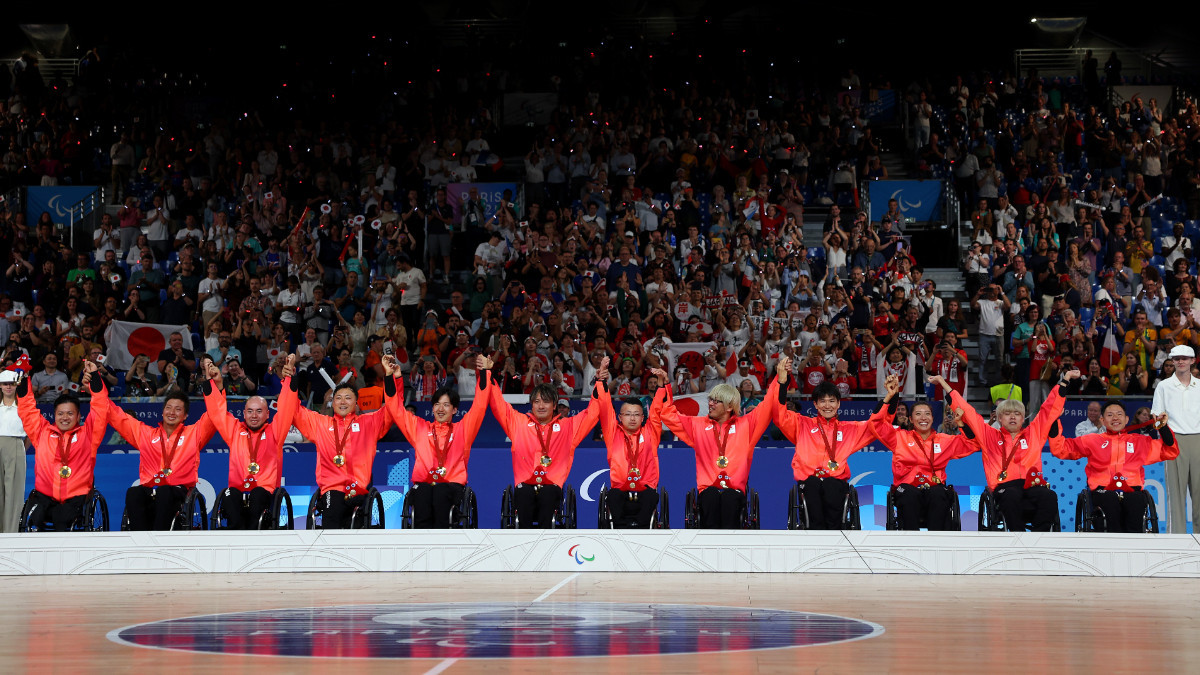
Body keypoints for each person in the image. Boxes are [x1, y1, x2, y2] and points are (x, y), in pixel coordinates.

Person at [935, 368, 1080, 531]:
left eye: (1017, 413)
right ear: (999, 418)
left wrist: (1065, 378)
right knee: (1012, 495)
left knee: (1049, 495)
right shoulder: (989, 435)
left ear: (1023, 417)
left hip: (1031, 486)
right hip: (1005, 488)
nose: (1012, 417)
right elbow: (968, 412)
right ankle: (1017, 537)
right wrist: (944, 384)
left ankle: (1040, 538)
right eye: (1007, 413)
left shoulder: (1034, 433)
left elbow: (1049, 409)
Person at [483, 354, 603, 528]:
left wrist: (600, 382)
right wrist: (487, 372)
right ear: (531, 404)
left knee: (548, 495)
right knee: (523, 495)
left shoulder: (567, 427)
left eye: (545, 402)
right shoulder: (519, 423)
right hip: (525, 484)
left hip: (552, 485)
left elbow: (591, 414)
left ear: (554, 406)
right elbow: (497, 404)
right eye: (536, 401)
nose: (540, 406)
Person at [659, 361, 782, 529]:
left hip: (735, 491)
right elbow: (667, 414)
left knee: (730, 498)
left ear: (730, 406)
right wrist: (664, 385)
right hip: (708, 489)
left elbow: (768, 404)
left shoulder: (747, 425)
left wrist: (779, 378)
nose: (710, 404)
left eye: (716, 401)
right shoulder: (697, 425)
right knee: (710, 496)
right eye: (711, 400)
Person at [92, 376, 217, 531]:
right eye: (168, 408)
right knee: (133, 492)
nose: (172, 412)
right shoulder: (146, 434)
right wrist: (95, 381)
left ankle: (159, 537)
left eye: (178, 409)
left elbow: (214, 414)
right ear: (162, 411)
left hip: (178, 489)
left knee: (165, 491)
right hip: (150, 488)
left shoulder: (194, 434)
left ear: (185, 415)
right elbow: (115, 415)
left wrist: (210, 382)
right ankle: (140, 538)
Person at [773, 367, 889, 529]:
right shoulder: (802, 425)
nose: (827, 405)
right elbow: (780, 413)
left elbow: (876, 425)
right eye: (822, 401)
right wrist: (782, 382)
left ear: (839, 404)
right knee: (812, 484)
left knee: (832, 485)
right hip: (809, 481)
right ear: (815, 404)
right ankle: (816, 533)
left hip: (836, 482)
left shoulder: (850, 429)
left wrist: (890, 397)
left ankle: (834, 534)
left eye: (832, 400)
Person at [385, 355, 489, 528]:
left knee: (440, 491)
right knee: (423, 493)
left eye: (446, 405)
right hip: (424, 485)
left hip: (451, 486)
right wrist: (392, 377)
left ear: (455, 409)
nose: (441, 409)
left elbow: (480, 405)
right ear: (432, 407)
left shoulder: (463, 430)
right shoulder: (419, 427)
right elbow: (395, 409)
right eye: (437, 405)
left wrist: (484, 372)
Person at [1048, 401, 1177, 533]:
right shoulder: (1092, 440)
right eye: (1110, 415)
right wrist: (1054, 419)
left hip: (1132, 491)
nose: (1115, 418)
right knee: (1109, 499)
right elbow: (1061, 449)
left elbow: (1169, 450)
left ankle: (1135, 545)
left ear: (1126, 419)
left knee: (1136, 500)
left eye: (1119, 414)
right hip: (1103, 492)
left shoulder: (1140, 441)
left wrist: (1162, 426)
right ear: (1102, 420)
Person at [202, 356, 300, 530]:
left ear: (268, 414)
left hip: (264, 490)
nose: (254, 415)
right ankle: (236, 535)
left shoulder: (275, 431)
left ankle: (254, 535)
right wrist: (212, 382)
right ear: (244, 413)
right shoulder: (234, 430)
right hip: (238, 488)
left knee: (257, 493)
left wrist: (289, 379)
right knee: (228, 493)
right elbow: (217, 412)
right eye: (250, 411)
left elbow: (286, 408)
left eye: (259, 411)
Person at [873, 374, 976, 530]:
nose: (923, 418)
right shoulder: (899, 437)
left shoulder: (945, 440)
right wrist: (891, 396)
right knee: (909, 494)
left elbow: (972, 443)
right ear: (911, 419)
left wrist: (961, 423)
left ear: (933, 418)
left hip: (934, 489)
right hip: (906, 489)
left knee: (939, 494)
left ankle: (936, 542)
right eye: (918, 414)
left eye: (927, 414)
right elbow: (876, 425)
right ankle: (910, 541)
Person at [15, 362, 109, 531]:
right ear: (54, 415)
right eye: (60, 413)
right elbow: (27, 409)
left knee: (61, 518)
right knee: (35, 519)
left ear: (79, 416)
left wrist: (95, 376)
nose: (65, 417)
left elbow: (101, 408)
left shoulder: (88, 434)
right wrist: (23, 379)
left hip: (76, 497)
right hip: (44, 496)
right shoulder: (42, 432)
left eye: (70, 413)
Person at [292, 381, 394, 529]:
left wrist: (392, 378)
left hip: (359, 488)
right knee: (333, 506)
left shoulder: (369, 423)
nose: (343, 401)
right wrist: (290, 379)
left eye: (348, 397)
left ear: (356, 403)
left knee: (355, 521)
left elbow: (392, 409)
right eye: (338, 398)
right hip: (332, 489)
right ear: (332, 403)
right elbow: (294, 410)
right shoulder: (320, 424)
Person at [595, 359, 670, 528]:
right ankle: (621, 531)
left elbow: (657, 409)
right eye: (628, 414)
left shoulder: (650, 432)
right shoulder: (612, 433)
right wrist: (601, 381)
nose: (632, 418)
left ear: (643, 418)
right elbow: (606, 407)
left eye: (636, 414)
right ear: (620, 417)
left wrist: (661, 385)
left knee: (652, 497)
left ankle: (642, 530)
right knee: (612, 496)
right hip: (620, 489)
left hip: (645, 490)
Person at [1151, 345, 1200, 533]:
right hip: (1173, 441)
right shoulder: (1163, 386)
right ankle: (1176, 536)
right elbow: (1156, 418)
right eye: (1177, 358)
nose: (1181, 361)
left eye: (1185, 358)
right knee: (1175, 492)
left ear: (1192, 361)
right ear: (1171, 361)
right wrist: (1166, 440)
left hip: (1198, 439)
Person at [0, 370, 24, 532]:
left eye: (12, 383)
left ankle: (10, 533)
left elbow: (29, 434)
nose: (8, 387)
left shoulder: (24, 406)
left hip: (15, 444)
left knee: (14, 493)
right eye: (5, 383)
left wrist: (18, 447)